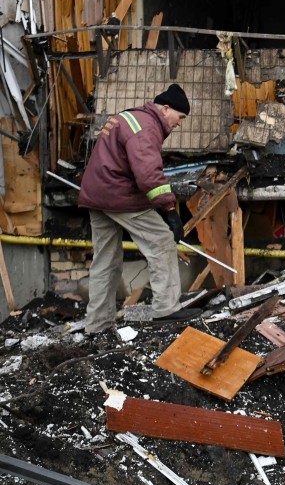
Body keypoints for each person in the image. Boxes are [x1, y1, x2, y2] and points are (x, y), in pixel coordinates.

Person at [78, 84, 202, 334]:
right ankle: (166, 309)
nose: (180, 124)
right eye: (180, 117)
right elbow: (148, 175)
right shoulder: (146, 127)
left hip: (97, 195)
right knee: (162, 242)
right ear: (165, 109)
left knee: (105, 261)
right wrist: (169, 211)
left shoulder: (131, 117)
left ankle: (97, 325)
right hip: (119, 196)